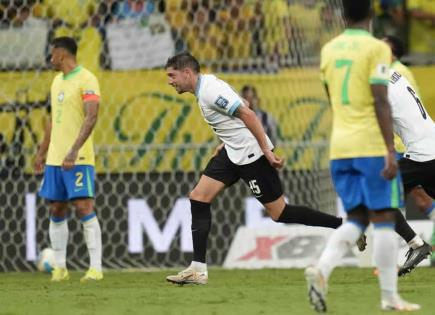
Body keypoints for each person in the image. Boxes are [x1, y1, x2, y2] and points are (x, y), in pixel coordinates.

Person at [164, 52, 361, 286]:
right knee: (198, 197)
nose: (170, 81)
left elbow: (247, 112)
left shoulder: (209, 90)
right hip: (232, 151)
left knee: (280, 213)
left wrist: (266, 151)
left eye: (172, 75)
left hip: (251, 154)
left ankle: (345, 226)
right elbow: (243, 104)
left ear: (187, 73)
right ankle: (198, 269)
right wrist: (225, 141)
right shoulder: (207, 86)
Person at [305, 0, 420, 312]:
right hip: (369, 146)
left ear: (343, 15)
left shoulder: (328, 50)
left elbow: (333, 99)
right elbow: (381, 100)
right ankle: (389, 297)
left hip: (340, 147)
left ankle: (322, 268)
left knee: (356, 218)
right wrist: (388, 150)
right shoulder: (377, 49)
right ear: (371, 14)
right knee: (383, 218)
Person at [34, 37, 103, 282]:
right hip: (55, 158)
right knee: (56, 208)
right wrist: (42, 152)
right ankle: (60, 268)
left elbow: (91, 116)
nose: (50, 58)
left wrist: (74, 150)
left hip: (78, 157)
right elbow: (53, 120)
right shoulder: (56, 82)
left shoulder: (87, 79)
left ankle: (95, 268)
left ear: (61, 54)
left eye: (52, 54)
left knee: (84, 206)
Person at [383, 35, 435, 271]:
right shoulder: (397, 73)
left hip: (422, 154)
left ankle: (416, 244)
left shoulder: (379, 82)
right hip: (429, 144)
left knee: (381, 199)